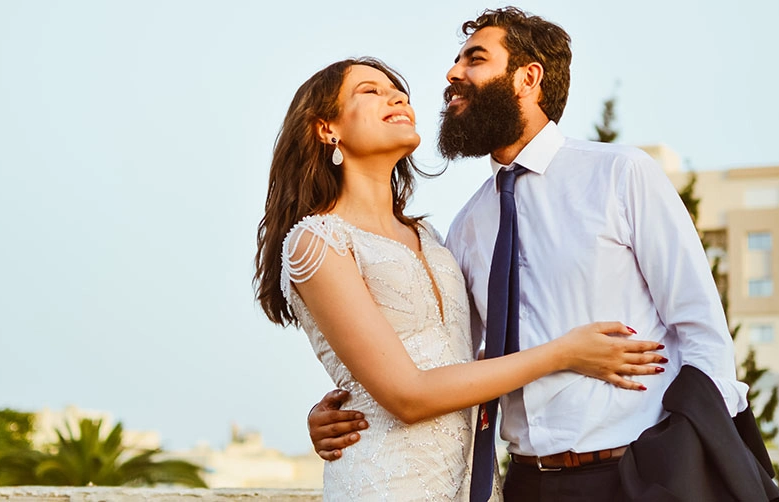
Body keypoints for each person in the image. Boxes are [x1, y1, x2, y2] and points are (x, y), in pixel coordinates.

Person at [307, 7, 764, 502]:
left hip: (639, 473)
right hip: (524, 485)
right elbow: (447, 360)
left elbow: (703, 333)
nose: (452, 74)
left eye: (474, 59)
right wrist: (350, 403)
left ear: (528, 78)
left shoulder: (621, 175)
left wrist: (684, 460)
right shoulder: (465, 229)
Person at [254, 57, 666, 501]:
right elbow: (407, 395)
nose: (397, 97)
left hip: (473, 483)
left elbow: (461, 354)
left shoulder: (431, 236)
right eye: (370, 91)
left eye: (399, 91)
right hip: (389, 482)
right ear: (326, 129)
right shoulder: (317, 240)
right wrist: (564, 353)